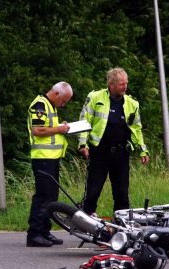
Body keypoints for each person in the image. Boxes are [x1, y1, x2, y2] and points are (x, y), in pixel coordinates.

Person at [78, 67, 149, 215]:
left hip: (121, 154)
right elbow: (84, 122)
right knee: (92, 191)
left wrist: (143, 150)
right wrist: (83, 144)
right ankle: (86, 221)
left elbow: (137, 129)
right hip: (99, 152)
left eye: (126, 83)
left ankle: (122, 226)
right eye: (121, 84)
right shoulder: (95, 98)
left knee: (122, 193)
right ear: (111, 84)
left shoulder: (132, 104)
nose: (125, 86)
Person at [26, 81, 73, 247]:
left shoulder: (50, 105)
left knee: (51, 197)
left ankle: (45, 231)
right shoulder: (40, 104)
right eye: (64, 100)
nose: (64, 104)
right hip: (42, 158)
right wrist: (59, 129)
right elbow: (37, 131)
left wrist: (60, 127)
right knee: (43, 196)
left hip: (51, 158)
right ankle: (34, 234)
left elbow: (48, 127)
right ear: (56, 94)